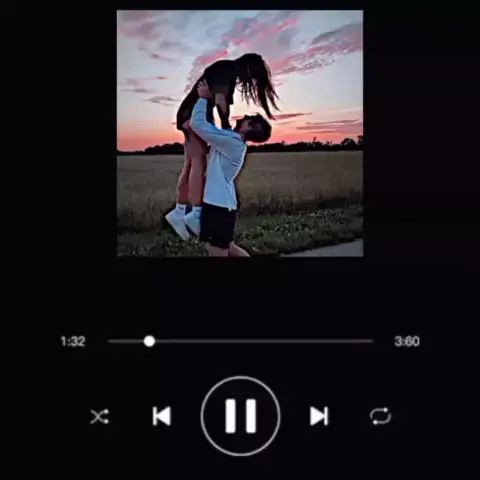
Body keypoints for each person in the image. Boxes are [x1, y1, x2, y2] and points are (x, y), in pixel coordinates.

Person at [165, 53, 280, 239]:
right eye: (252, 76)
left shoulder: (226, 72)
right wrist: (226, 128)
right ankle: (195, 214)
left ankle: (178, 212)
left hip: (190, 114)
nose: (249, 81)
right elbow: (220, 102)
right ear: (248, 68)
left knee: (191, 164)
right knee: (199, 163)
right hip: (194, 115)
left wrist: (224, 130)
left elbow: (222, 103)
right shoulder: (226, 70)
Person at [187, 79, 272, 257]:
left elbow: (198, 124)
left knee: (216, 250)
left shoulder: (232, 141)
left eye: (247, 119)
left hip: (218, 206)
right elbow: (218, 131)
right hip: (223, 205)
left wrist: (203, 98)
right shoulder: (234, 142)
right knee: (229, 248)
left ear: (249, 127)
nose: (243, 117)